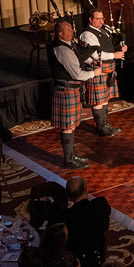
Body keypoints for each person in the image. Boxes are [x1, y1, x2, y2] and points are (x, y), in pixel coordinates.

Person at [49, 20, 97, 170]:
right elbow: (77, 74)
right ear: (60, 34)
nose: (72, 32)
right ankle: (68, 159)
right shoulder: (62, 49)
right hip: (66, 91)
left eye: (71, 29)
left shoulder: (70, 45)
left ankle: (72, 155)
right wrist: (94, 73)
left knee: (71, 125)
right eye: (68, 30)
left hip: (71, 90)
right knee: (68, 126)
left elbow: (80, 60)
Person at [78, 8, 128, 138]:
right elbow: (96, 54)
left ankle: (106, 125)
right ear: (91, 19)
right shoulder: (87, 35)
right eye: (98, 19)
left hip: (108, 67)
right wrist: (114, 55)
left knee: (105, 98)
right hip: (98, 68)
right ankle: (101, 128)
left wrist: (119, 47)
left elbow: (108, 45)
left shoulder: (103, 30)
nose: (101, 21)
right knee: (98, 100)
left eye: (102, 18)